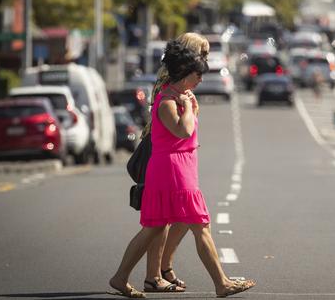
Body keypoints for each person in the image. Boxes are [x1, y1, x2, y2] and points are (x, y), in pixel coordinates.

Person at [109, 33, 256, 298]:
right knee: (199, 224)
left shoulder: (179, 94)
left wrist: (188, 102)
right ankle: (220, 283)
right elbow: (184, 130)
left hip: (180, 165)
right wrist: (188, 107)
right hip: (173, 171)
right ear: (186, 69)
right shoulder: (168, 99)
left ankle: (124, 276)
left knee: (155, 226)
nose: (202, 78)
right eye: (199, 71)